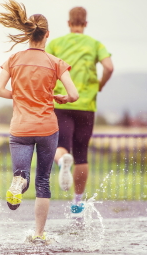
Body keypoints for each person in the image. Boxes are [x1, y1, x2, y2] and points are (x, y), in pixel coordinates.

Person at [0, 0, 79, 243]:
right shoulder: (55, 62)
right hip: (47, 128)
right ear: (47, 35)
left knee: (23, 175)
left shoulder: (14, 59)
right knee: (43, 181)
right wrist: (60, 97)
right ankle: (39, 234)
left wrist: (19, 95)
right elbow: (73, 95)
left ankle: (18, 183)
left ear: (28, 33)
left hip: (20, 128)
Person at [46, 6, 114, 214]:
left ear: (68, 23)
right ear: (85, 24)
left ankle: (62, 163)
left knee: (60, 147)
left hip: (61, 102)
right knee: (82, 154)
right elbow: (109, 67)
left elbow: (46, 68)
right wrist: (100, 85)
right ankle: (77, 203)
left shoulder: (56, 43)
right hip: (86, 105)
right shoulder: (94, 44)